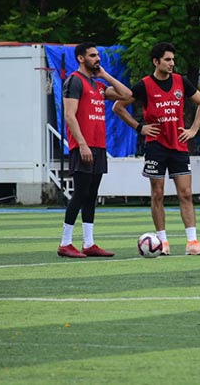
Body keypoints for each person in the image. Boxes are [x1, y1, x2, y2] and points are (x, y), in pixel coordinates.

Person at [112, 42, 200, 255]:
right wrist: (140, 127)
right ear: (156, 62)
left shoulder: (180, 82)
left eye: (173, 59)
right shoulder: (144, 85)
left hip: (178, 146)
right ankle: (163, 243)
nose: (172, 63)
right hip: (155, 147)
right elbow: (118, 107)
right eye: (167, 59)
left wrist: (193, 130)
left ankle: (193, 243)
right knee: (157, 194)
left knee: (185, 193)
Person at [57, 42, 132, 258]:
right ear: (81, 58)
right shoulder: (74, 81)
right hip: (84, 146)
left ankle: (88, 243)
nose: (97, 58)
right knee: (80, 193)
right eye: (92, 55)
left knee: (91, 196)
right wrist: (81, 144)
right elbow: (70, 116)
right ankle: (65, 243)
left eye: (98, 55)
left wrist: (105, 76)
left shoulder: (98, 86)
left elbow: (126, 95)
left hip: (98, 146)